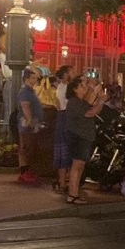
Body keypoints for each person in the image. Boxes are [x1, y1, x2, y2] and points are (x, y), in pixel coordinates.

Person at [64, 76, 107, 203]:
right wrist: (100, 101)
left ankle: (75, 192)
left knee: (80, 165)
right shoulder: (74, 102)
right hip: (78, 137)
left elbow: (93, 108)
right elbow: (90, 112)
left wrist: (99, 98)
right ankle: (72, 194)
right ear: (75, 89)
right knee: (77, 165)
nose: (85, 88)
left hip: (84, 136)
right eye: (82, 86)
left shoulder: (81, 101)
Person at [16, 67, 44, 184]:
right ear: (26, 78)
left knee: (28, 147)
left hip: (30, 125)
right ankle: (24, 171)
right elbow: (25, 106)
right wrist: (30, 120)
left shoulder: (31, 91)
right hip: (27, 125)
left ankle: (26, 171)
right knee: (26, 148)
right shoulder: (25, 92)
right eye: (33, 78)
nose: (35, 80)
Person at [52, 65, 74, 193]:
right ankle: (69, 182)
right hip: (67, 117)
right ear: (66, 75)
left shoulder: (59, 87)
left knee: (61, 151)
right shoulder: (67, 88)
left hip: (61, 118)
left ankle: (62, 182)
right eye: (71, 72)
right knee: (68, 150)